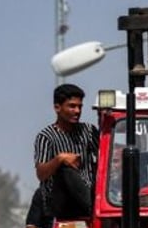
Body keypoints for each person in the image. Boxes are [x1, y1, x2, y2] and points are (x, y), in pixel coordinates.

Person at [33, 83, 100, 219]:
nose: (77, 111)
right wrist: (60, 159)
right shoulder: (46, 137)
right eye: (72, 106)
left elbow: (103, 158)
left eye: (80, 106)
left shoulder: (89, 131)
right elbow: (41, 174)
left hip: (89, 194)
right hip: (61, 206)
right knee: (66, 171)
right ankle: (94, 210)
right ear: (57, 108)